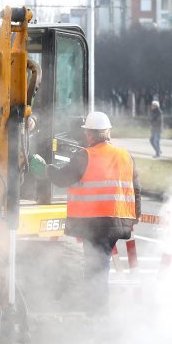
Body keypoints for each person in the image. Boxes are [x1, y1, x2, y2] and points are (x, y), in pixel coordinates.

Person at [29, 111, 140, 313]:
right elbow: (136, 189)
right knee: (99, 261)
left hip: (95, 222)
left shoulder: (85, 155)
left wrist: (46, 170)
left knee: (96, 264)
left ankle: (97, 309)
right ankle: (95, 306)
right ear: (107, 133)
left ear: (90, 134)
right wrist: (134, 218)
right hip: (119, 221)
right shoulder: (126, 156)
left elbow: (63, 178)